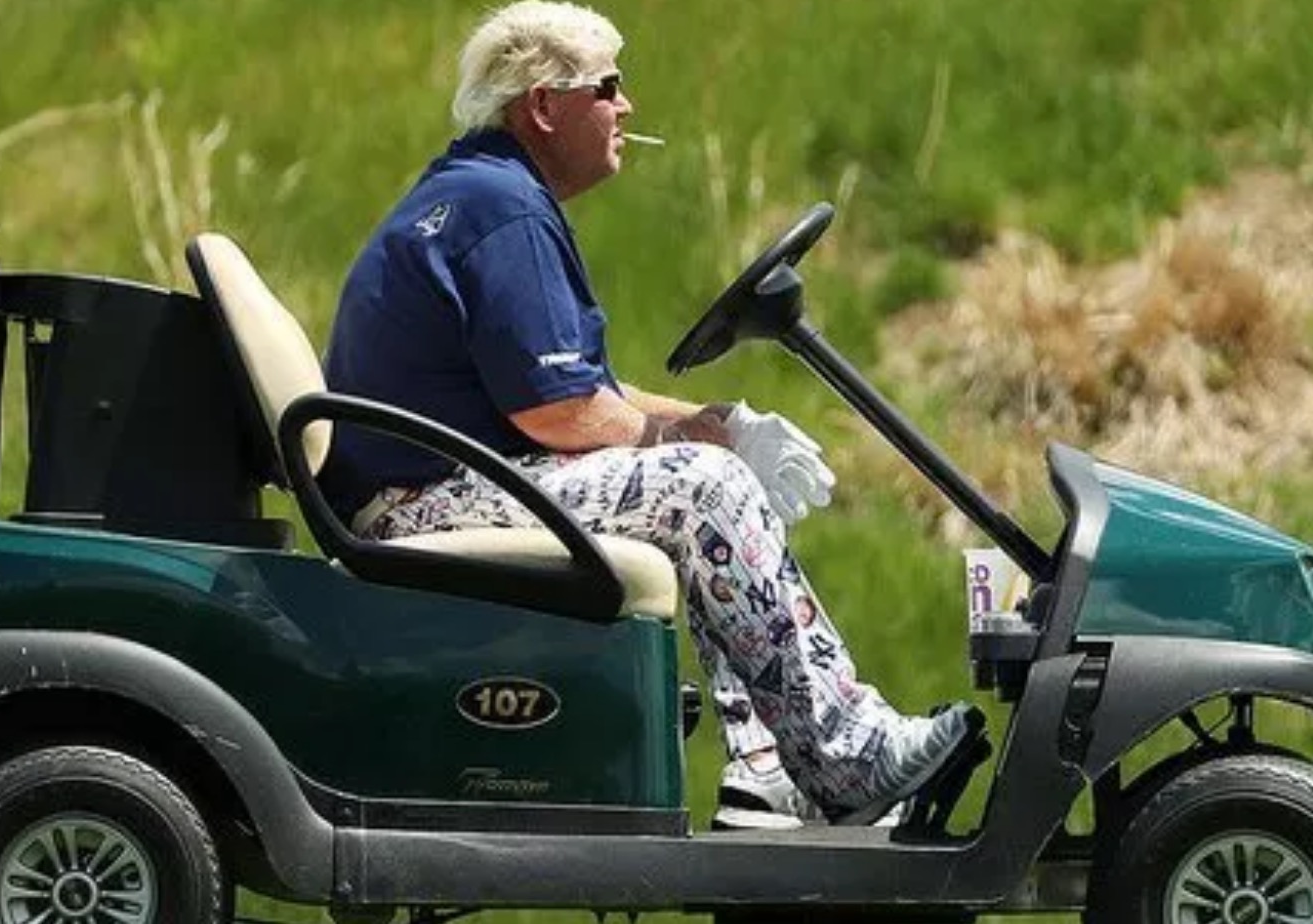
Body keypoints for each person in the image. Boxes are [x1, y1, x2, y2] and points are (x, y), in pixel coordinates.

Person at [321, 0, 971, 828]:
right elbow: (562, 413)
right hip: (424, 505)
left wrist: (722, 421)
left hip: (442, 486)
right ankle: (849, 757)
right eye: (608, 87)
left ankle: (767, 766)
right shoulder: (503, 209)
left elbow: (587, 392)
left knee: (706, 472)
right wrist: (702, 448)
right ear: (544, 105)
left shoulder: (485, 192)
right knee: (702, 488)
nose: (625, 106)